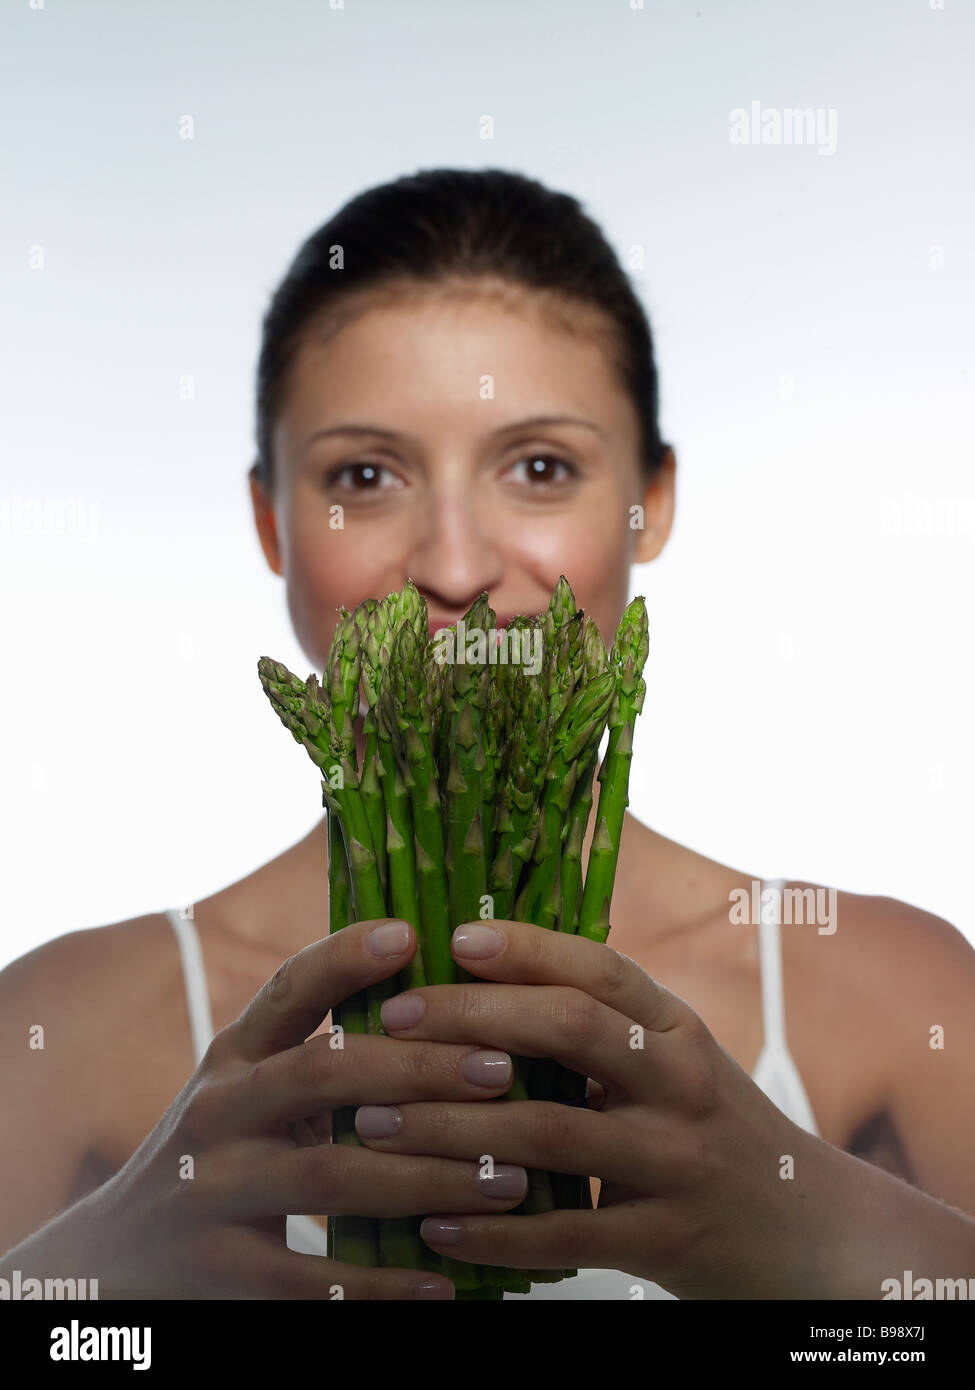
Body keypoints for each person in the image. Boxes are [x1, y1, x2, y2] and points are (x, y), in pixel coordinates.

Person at [3, 167, 974, 1301]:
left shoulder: (889, 988)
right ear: (271, 519)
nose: (455, 568)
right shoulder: (60, 1024)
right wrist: (80, 1288)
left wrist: (848, 1248)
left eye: (540, 467)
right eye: (363, 476)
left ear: (650, 500)